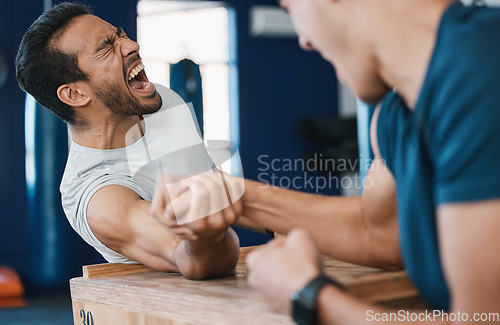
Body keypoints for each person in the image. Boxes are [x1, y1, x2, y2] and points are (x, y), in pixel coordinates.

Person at [162, 0, 500, 323]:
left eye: (290, 7)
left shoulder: (481, 64)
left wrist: (310, 296)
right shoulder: (395, 117)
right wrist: (230, 194)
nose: (305, 40)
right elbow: (378, 232)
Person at [15, 2, 241, 280]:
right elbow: (200, 259)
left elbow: (213, 194)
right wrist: (223, 214)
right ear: (75, 94)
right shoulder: (97, 197)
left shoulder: (162, 102)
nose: (132, 44)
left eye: (120, 34)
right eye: (107, 47)